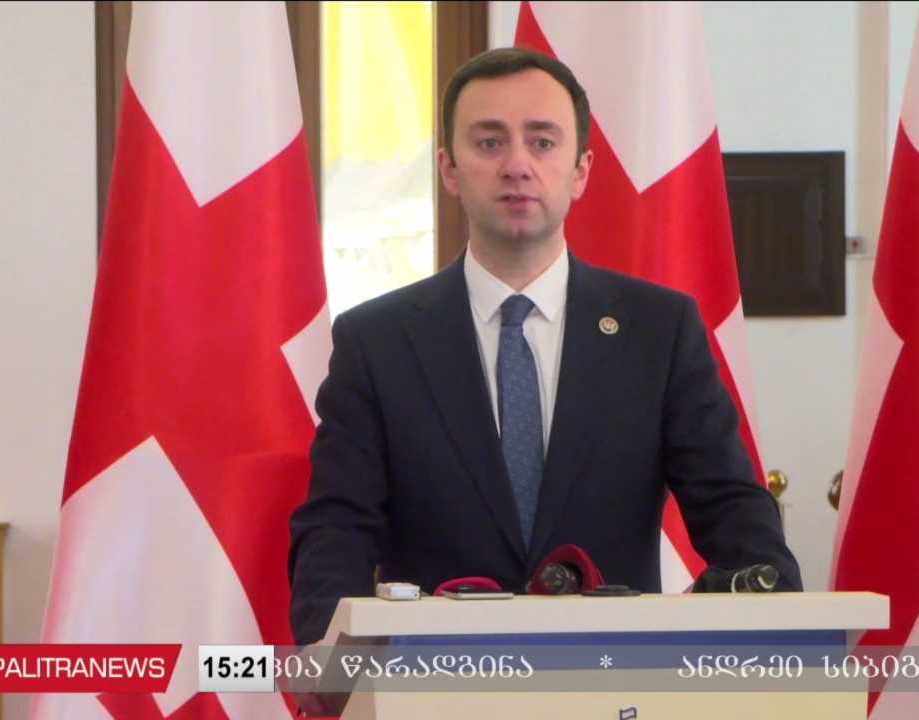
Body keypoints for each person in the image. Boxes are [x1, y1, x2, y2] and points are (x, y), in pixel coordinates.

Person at [287, 47, 802, 648]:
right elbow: (337, 530)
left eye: (542, 142)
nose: (517, 165)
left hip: (618, 676)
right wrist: (330, 652)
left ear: (581, 170)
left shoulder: (660, 331)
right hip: (433, 679)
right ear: (448, 169)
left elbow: (734, 516)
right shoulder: (376, 342)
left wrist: (736, 607)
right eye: (489, 142)